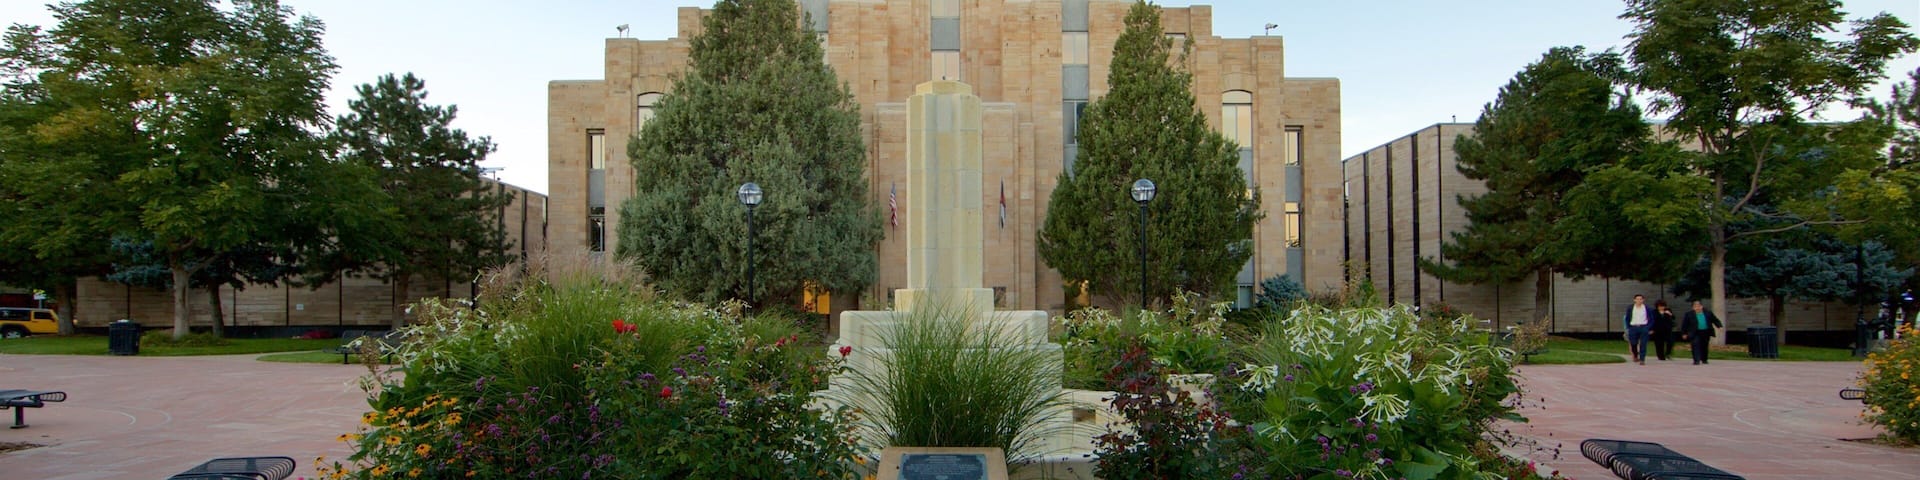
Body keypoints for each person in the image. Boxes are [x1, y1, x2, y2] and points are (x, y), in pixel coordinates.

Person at [1679, 300, 1723, 365]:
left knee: (1704, 346)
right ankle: (1696, 360)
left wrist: (1719, 326)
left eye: (1698, 306)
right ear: (1693, 307)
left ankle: (1704, 359)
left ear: (1701, 306)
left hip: (1705, 332)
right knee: (1695, 345)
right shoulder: (1689, 314)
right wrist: (1684, 333)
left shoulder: (1708, 313)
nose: (1697, 307)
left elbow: (1715, 320)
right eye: (1695, 306)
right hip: (1695, 332)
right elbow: (1684, 324)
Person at [1621, 294, 1657, 365]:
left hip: (1643, 327)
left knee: (1643, 344)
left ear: (1643, 300)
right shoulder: (1630, 308)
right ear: (1634, 300)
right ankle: (1635, 354)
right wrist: (1629, 327)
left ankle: (1642, 359)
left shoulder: (1647, 308)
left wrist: (1648, 327)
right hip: (1633, 327)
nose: (1639, 301)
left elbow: (1651, 319)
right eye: (1637, 299)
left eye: (1640, 299)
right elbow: (1627, 318)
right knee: (1633, 343)